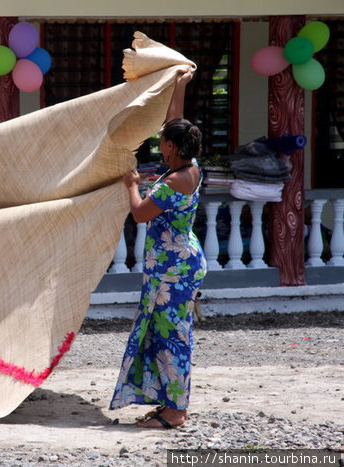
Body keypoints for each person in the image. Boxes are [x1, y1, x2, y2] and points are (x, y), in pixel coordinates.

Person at [109, 67, 207, 429]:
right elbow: (176, 120)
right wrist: (179, 85)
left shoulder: (174, 183)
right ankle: (169, 403)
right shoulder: (190, 163)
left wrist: (133, 183)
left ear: (170, 147)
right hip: (178, 262)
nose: (160, 145)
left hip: (173, 271)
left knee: (173, 338)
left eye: (163, 141)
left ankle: (176, 412)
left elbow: (139, 214)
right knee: (162, 333)